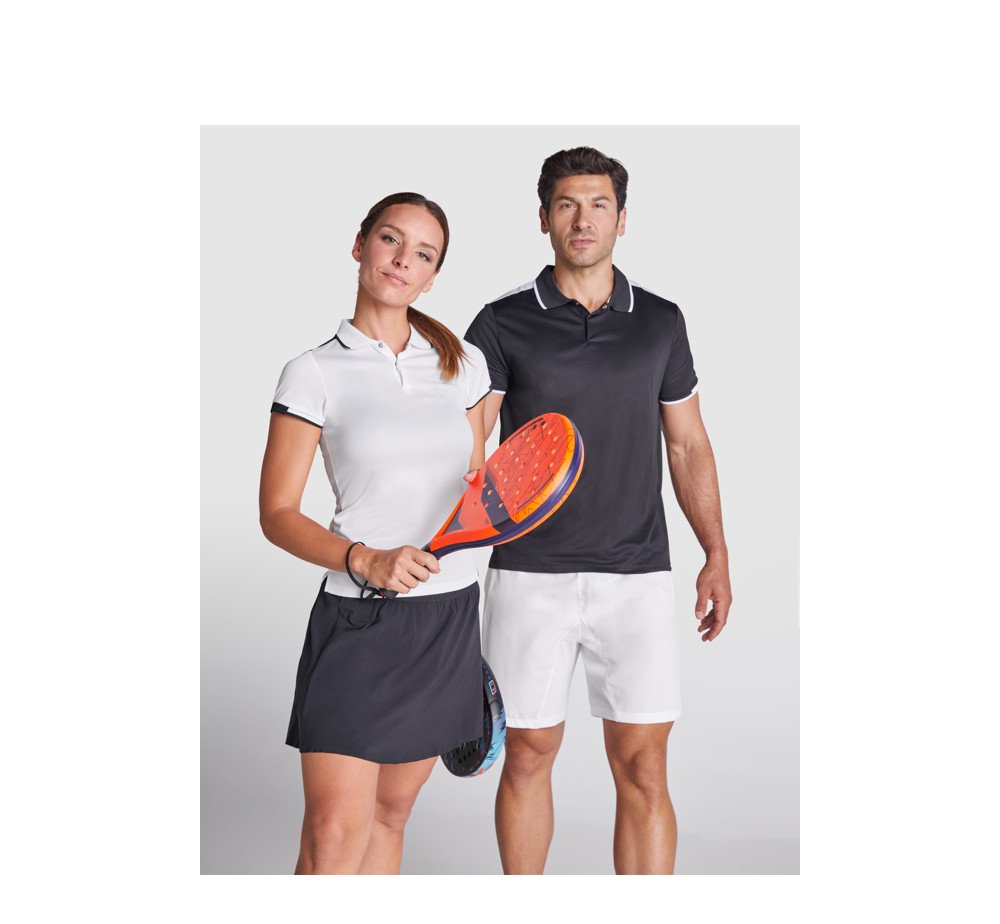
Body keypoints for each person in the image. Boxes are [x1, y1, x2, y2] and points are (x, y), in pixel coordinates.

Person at [464, 147, 732, 875]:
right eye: (567, 205)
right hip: (527, 572)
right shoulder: (500, 321)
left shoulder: (661, 322)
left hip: (636, 575)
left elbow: (688, 445)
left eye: (598, 205)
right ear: (544, 218)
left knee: (644, 765)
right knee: (527, 753)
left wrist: (716, 553)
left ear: (622, 218)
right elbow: (467, 440)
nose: (583, 220)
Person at [259, 192, 492, 875]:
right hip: (360, 621)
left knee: (391, 815)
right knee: (334, 835)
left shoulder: (463, 364)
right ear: (360, 245)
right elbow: (277, 513)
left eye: (423, 254)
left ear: (433, 276)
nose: (402, 260)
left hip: (447, 617)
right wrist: (365, 559)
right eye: (391, 240)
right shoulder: (313, 372)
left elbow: (478, 483)